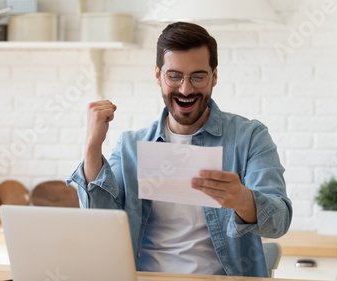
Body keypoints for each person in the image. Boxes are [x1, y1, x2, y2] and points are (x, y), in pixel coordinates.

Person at [68, 21, 292, 278]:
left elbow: (280, 221)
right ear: (157, 75)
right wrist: (92, 147)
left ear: (214, 76)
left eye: (198, 76)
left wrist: (242, 199)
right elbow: (100, 225)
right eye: (174, 76)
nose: (186, 89)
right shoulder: (131, 146)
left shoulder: (250, 137)